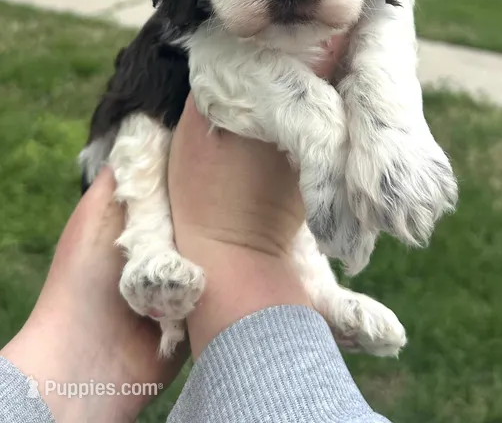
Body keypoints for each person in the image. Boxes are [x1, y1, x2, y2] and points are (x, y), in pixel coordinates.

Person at [0, 38, 391, 422]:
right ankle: (148, 250)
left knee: (280, 183)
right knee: (147, 132)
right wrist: (240, 247)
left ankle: (318, 289)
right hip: (160, 103)